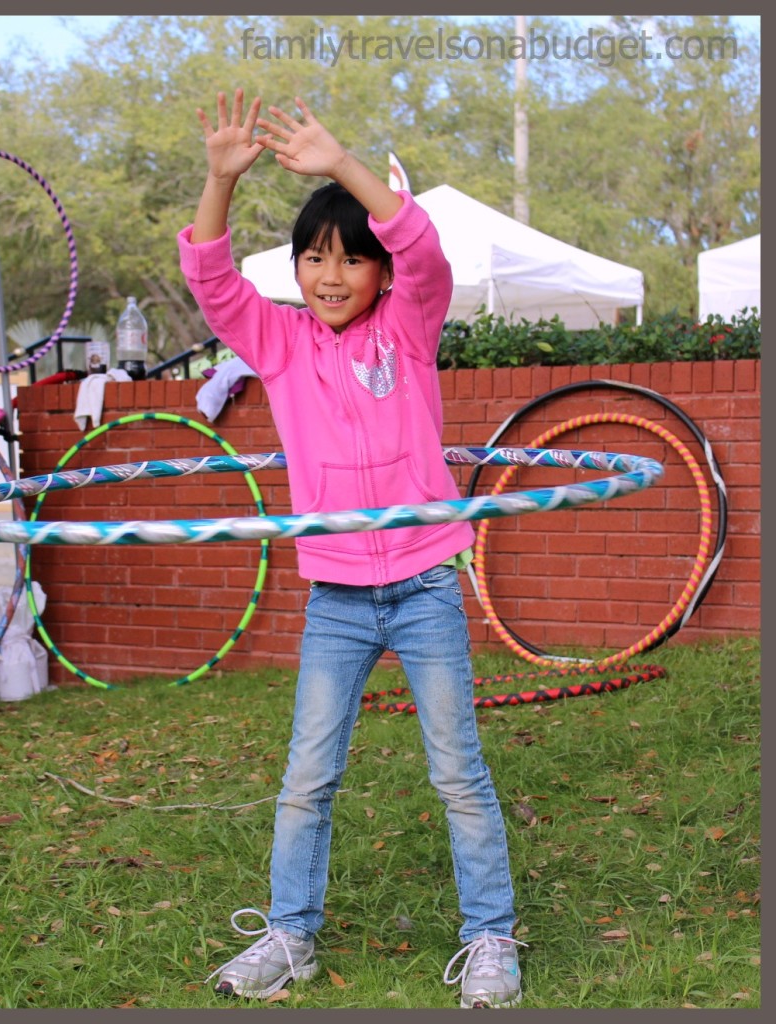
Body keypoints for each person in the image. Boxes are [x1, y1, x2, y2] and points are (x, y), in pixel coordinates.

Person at [178, 88, 524, 1009]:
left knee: (456, 770)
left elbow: (422, 247)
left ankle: (490, 937)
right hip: (335, 594)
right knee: (305, 776)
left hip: (421, 584)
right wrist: (218, 180)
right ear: (294, 269)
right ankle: (289, 933)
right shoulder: (279, 344)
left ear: (376, 274)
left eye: (349, 260)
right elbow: (212, 282)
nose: (328, 275)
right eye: (312, 258)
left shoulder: (407, 331)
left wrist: (338, 164)